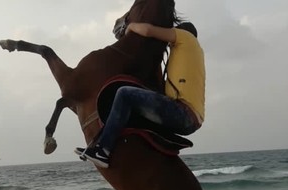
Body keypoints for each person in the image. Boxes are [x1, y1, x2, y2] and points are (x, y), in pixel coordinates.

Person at [81, 22, 205, 168]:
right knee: (132, 107)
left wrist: (130, 27)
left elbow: (147, 31)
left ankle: (103, 151)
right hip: (188, 118)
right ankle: (100, 145)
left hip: (183, 114)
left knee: (124, 93)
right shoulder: (191, 55)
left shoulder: (186, 37)